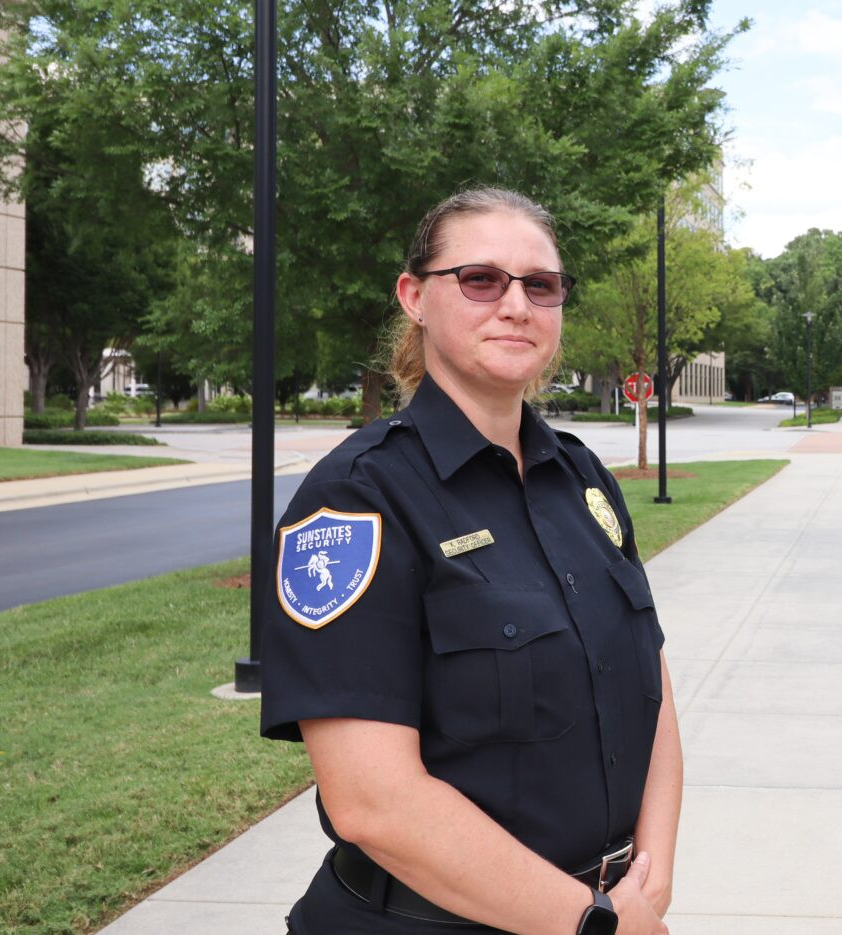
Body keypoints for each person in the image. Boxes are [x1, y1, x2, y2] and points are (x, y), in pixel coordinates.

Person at [261, 187, 682, 935]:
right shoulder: (356, 499)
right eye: (481, 279)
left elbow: (650, 685)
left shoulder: (585, 479)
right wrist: (595, 924)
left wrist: (650, 878)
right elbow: (374, 801)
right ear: (415, 296)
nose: (516, 305)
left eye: (540, 284)